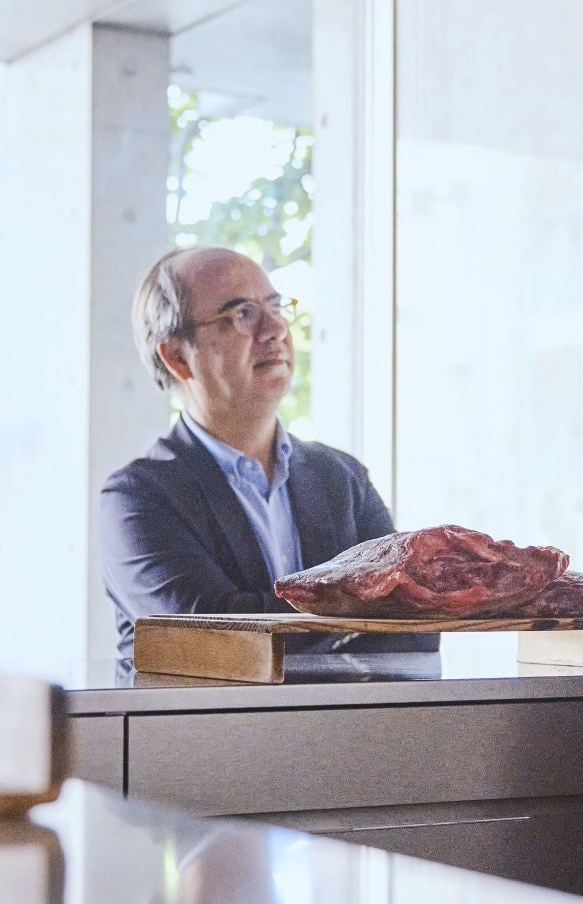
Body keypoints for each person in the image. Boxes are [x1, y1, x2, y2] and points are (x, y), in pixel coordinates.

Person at [98, 246, 431, 664]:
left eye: (275, 307)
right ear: (178, 356)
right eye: (242, 314)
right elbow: (217, 636)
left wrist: (365, 614)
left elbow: (412, 628)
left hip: (343, 729)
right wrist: (358, 613)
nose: (275, 328)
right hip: (201, 729)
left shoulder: (342, 478)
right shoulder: (138, 499)